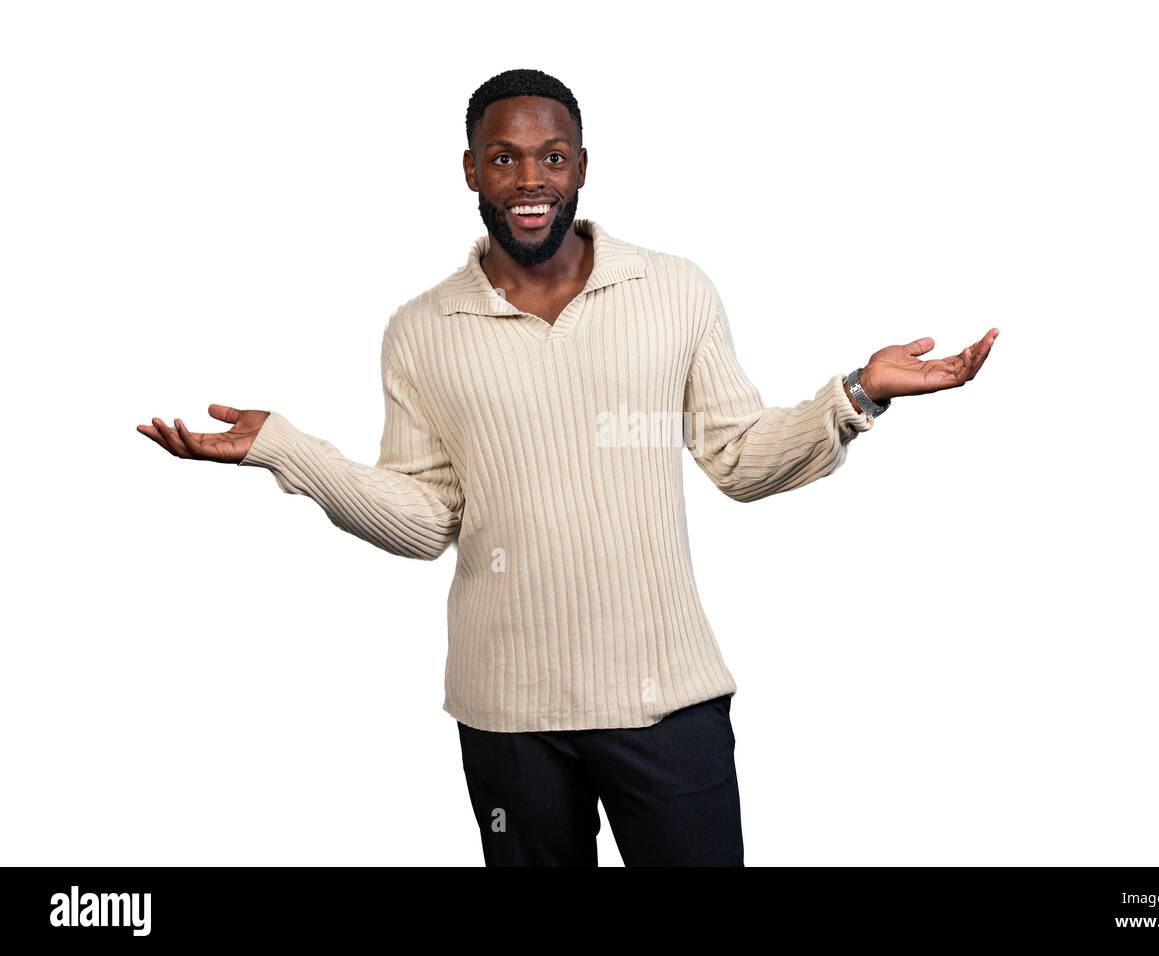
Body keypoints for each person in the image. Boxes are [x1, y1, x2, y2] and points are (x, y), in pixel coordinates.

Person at [137, 68, 998, 866]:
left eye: (551, 156)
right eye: (504, 158)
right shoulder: (422, 329)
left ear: (582, 164)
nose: (529, 180)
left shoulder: (673, 291)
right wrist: (286, 449)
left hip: (668, 702)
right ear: (470, 171)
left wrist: (855, 394)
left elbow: (738, 458)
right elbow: (428, 518)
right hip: (508, 715)